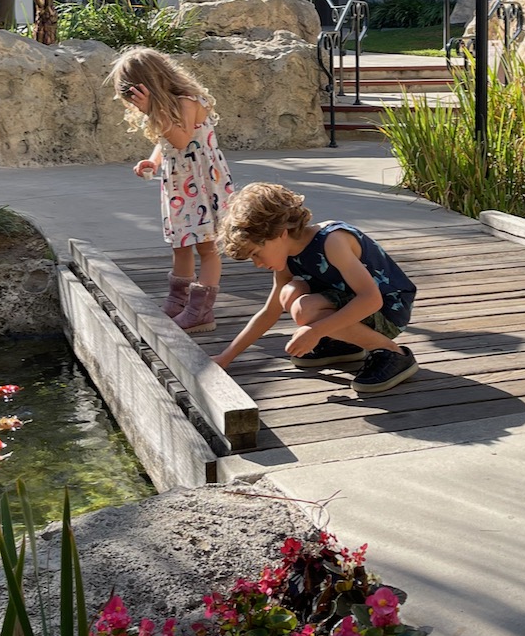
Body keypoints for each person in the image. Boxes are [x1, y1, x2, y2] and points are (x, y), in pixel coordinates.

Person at [215, 182, 418, 395]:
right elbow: (270, 312)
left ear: (281, 233)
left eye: (256, 253)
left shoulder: (332, 241)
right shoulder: (287, 258)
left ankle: (393, 353)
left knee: (305, 309)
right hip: (354, 306)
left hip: (387, 310)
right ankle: (344, 345)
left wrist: (317, 331)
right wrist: (226, 357)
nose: (257, 263)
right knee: (289, 292)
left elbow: (371, 299)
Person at [108, 47, 232, 332]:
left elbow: (180, 139)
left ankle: (201, 312)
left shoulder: (189, 102)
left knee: (207, 246)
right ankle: (179, 302)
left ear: (149, 84)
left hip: (202, 184)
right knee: (181, 244)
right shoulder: (166, 107)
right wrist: (152, 162)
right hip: (180, 184)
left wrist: (153, 110)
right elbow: (166, 144)